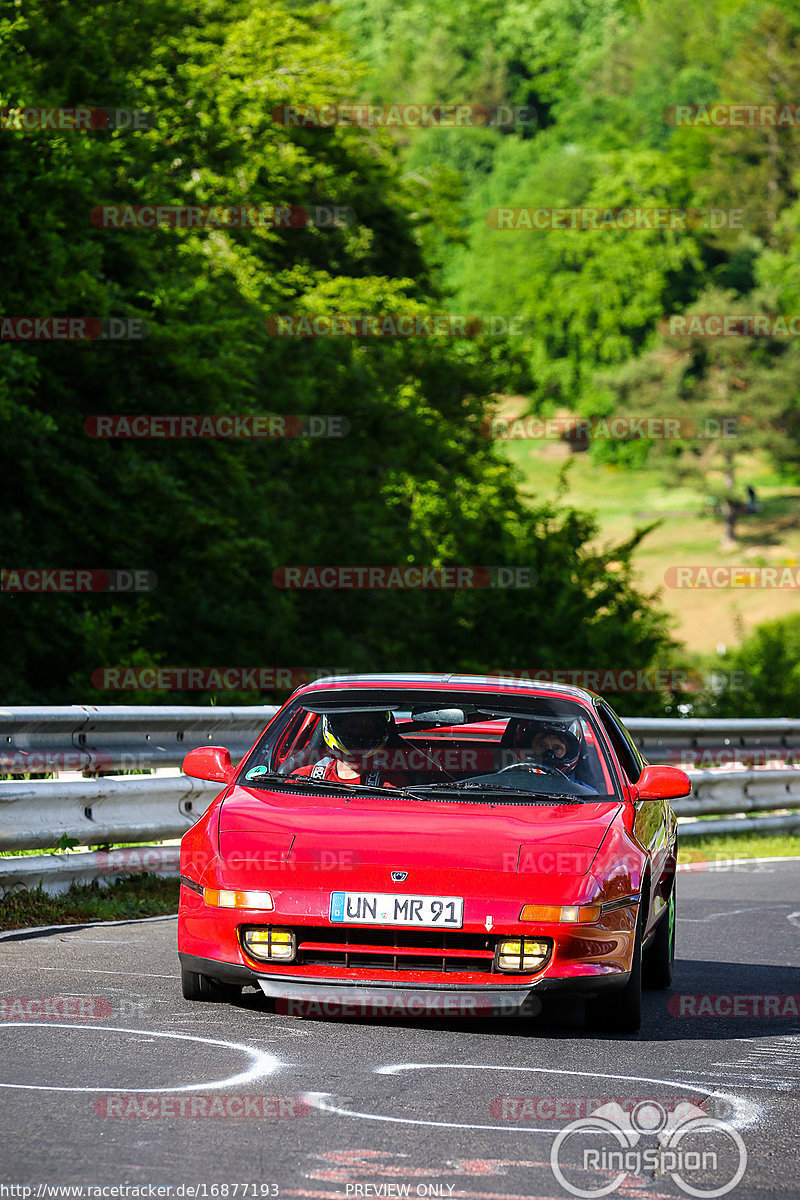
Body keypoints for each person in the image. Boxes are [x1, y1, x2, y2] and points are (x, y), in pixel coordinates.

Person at [290, 710, 410, 787]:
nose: (358, 735)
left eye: (366, 728)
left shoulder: (391, 783)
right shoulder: (303, 778)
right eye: (351, 727)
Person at [508, 719, 598, 792]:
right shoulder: (505, 786)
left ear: (568, 752)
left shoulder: (586, 795)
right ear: (529, 748)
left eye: (557, 748)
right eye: (542, 746)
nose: (549, 754)